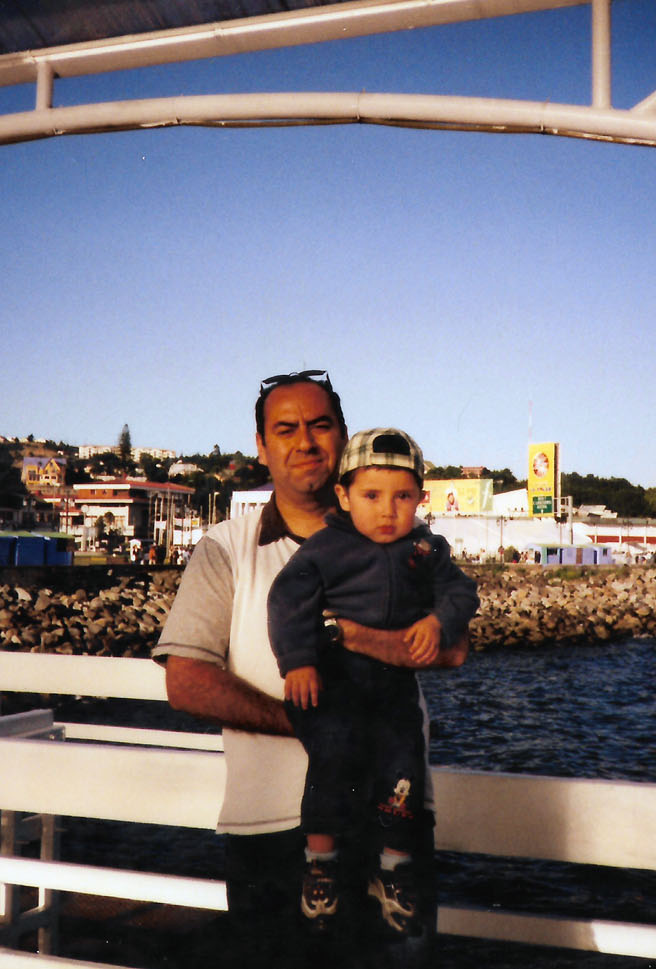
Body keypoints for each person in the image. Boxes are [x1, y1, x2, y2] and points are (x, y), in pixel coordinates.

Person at [153, 371, 467, 968]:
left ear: (343, 437)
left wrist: (349, 635)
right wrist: (315, 725)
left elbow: (453, 649)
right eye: (286, 429)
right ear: (261, 445)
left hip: (391, 825)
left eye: (320, 426)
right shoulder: (225, 548)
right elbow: (185, 680)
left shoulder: (402, 539)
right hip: (269, 830)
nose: (305, 442)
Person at [268, 427, 478, 940]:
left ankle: (394, 869)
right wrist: (298, 661)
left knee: (404, 765)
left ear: (420, 499)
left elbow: (460, 592)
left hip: (393, 687)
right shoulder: (326, 548)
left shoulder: (425, 549)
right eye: (371, 496)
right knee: (332, 755)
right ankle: (321, 863)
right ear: (343, 496)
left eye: (403, 497)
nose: (388, 510)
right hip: (333, 684)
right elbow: (287, 601)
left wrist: (437, 622)